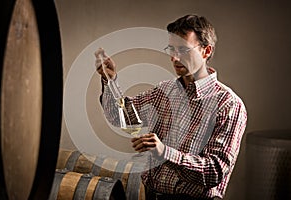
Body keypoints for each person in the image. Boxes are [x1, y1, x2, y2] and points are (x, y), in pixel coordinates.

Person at [95, 14, 247, 200]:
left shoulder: (229, 104)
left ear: (206, 51)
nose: (174, 58)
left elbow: (214, 171)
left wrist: (163, 152)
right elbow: (119, 117)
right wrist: (109, 80)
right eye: (171, 49)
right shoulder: (164, 91)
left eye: (183, 49)